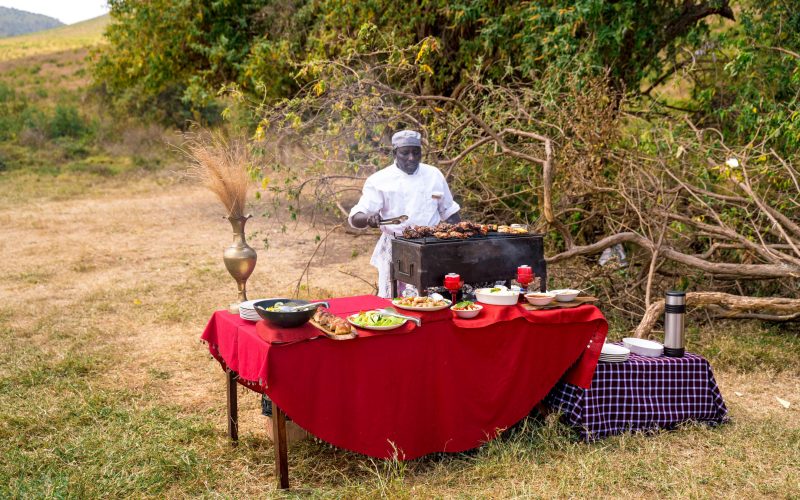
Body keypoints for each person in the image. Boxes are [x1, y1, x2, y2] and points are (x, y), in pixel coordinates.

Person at [350, 130, 461, 297]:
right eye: (405, 153)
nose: (411, 158)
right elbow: (356, 217)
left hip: (430, 245)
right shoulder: (380, 180)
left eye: (416, 152)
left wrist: (455, 241)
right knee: (394, 299)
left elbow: (450, 212)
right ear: (394, 153)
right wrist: (368, 218)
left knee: (431, 298)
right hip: (396, 247)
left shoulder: (433, 175)